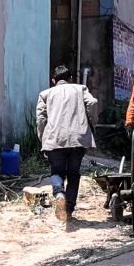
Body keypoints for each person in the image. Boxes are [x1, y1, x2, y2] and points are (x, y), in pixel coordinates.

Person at [37, 64, 98, 223]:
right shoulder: (80, 89)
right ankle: (69, 209)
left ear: (53, 80)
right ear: (70, 79)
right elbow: (92, 103)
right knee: (73, 173)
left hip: (55, 139)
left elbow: (41, 119)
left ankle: (58, 194)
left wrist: (43, 138)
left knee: (57, 172)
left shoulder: (45, 94)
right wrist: (91, 124)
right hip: (78, 139)